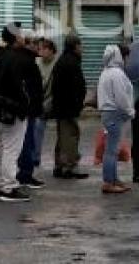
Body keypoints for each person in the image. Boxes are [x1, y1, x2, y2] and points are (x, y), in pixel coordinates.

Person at [0, 23, 31, 203]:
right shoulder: (15, 59)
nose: (23, 37)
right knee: (11, 150)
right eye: (20, 34)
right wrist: (23, 105)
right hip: (11, 111)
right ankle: (9, 187)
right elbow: (18, 87)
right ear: (16, 37)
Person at [97, 44, 135, 194]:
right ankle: (108, 181)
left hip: (108, 113)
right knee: (111, 150)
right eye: (126, 57)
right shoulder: (117, 74)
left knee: (112, 149)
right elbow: (121, 97)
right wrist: (130, 110)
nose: (127, 60)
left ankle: (113, 179)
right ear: (121, 56)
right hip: (115, 113)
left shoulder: (106, 72)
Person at [50, 34, 89, 179]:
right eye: (81, 45)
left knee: (62, 136)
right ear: (75, 46)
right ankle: (69, 167)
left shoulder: (62, 60)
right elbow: (76, 87)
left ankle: (59, 165)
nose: (83, 48)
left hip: (61, 106)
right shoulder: (71, 62)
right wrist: (78, 103)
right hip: (68, 107)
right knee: (70, 135)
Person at [17, 35, 46, 189]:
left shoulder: (27, 61)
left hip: (29, 109)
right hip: (30, 110)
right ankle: (25, 175)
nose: (39, 48)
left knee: (27, 142)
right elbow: (30, 89)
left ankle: (24, 173)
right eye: (36, 44)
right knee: (28, 142)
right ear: (29, 45)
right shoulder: (27, 63)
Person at [32, 39, 58, 173]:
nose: (41, 51)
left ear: (52, 50)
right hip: (39, 101)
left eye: (44, 48)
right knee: (37, 128)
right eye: (40, 49)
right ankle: (35, 157)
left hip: (53, 100)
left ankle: (60, 159)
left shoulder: (57, 63)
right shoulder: (36, 62)